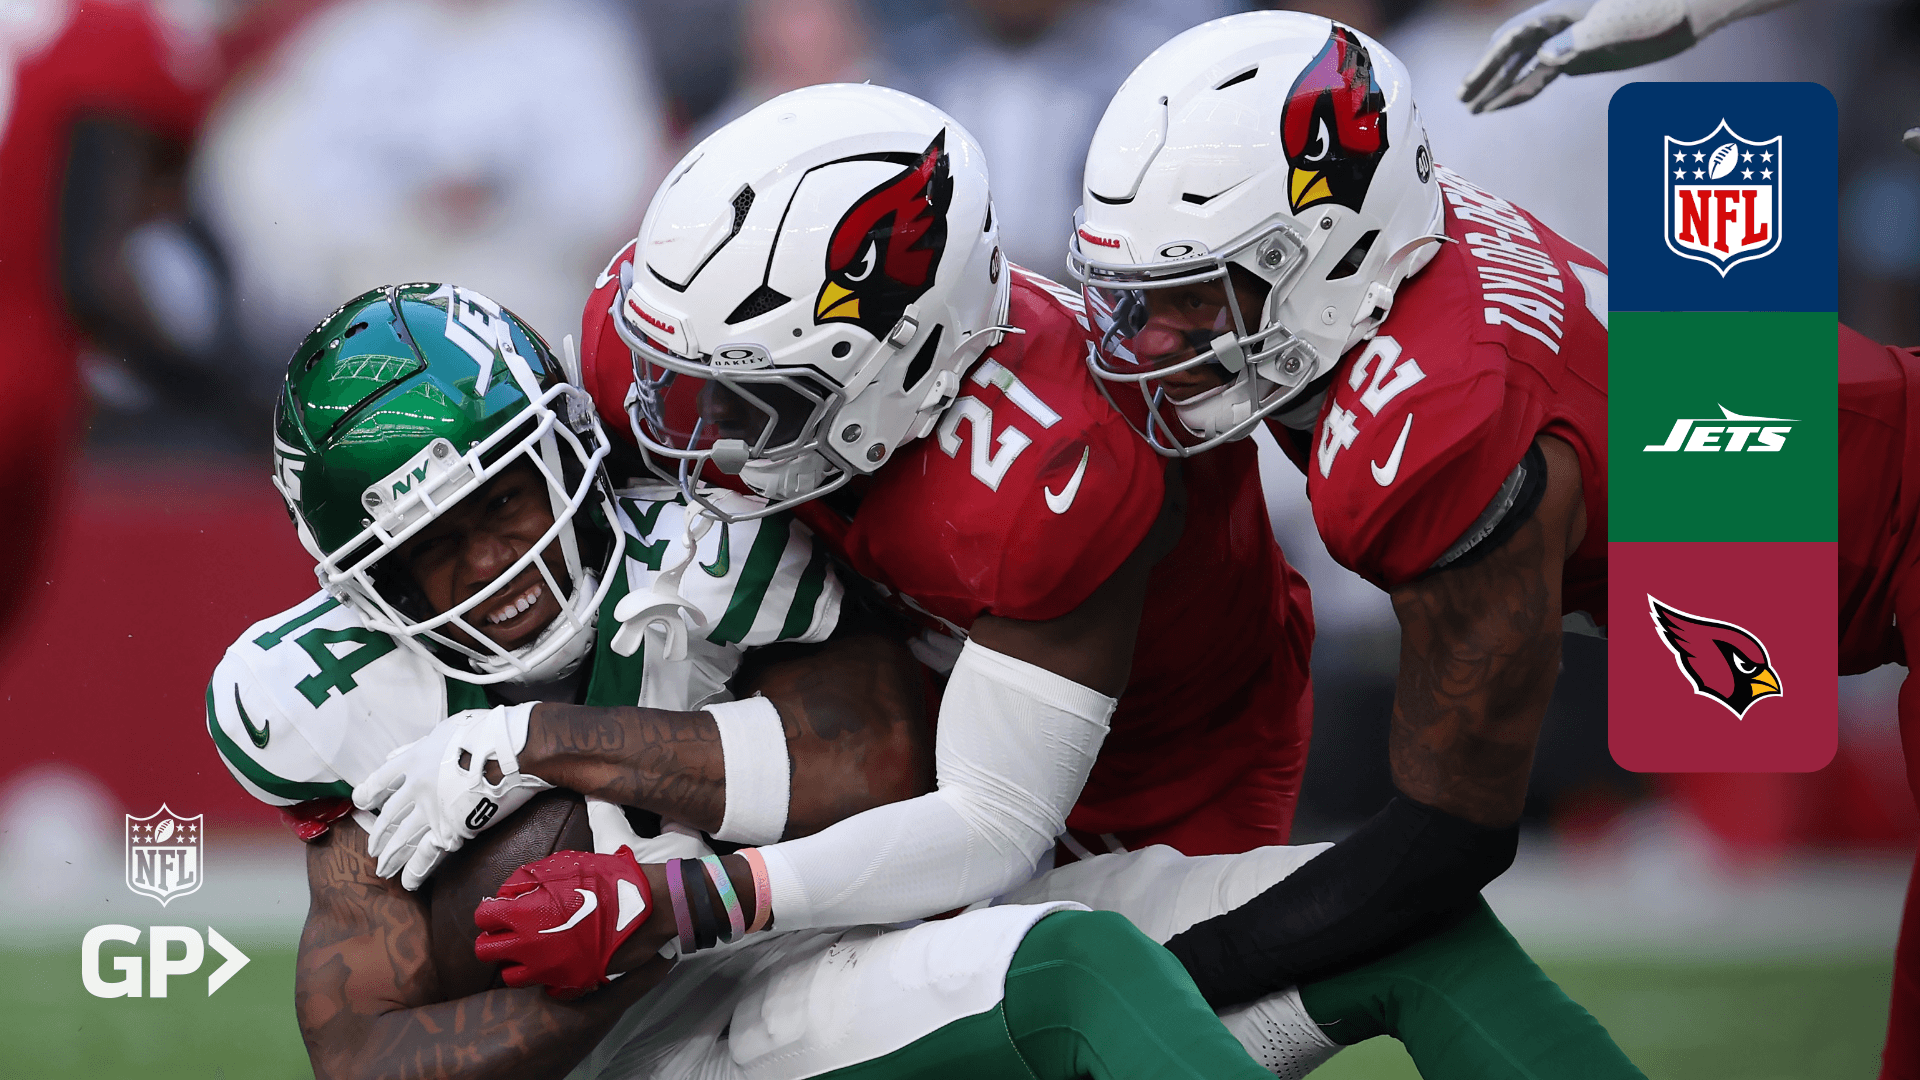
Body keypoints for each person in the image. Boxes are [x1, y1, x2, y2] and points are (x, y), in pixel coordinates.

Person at [214, 282, 1645, 1080]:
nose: (495, 570)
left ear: (570, 450)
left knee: (1408, 926)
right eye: (430, 556)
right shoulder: (331, 697)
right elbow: (363, 1054)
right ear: (356, 584)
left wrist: (549, 744)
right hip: (686, 1039)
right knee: (1074, 970)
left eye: (505, 504)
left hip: (853, 909)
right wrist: (622, 963)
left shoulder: (703, 535)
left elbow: (883, 758)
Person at [1066, 10, 1607, 1006]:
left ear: (1327, 257)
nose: (1154, 344)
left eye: (1198, 298)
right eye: (1142, 297)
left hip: (1852, 551)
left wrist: (1170, 980)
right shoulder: (1400, 245)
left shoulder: (1432, 430)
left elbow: (1449, 840)